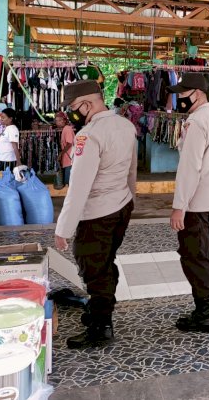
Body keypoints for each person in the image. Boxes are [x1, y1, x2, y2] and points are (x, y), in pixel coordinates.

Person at [54, 80, 138, 349]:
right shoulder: (126, 125)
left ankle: (101, 328)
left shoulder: (88, 135)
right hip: (121, 205)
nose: (72, 113)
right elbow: (131, 171)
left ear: (87, 104)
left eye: (74, 108)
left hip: (97, 213)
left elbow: (79, 187)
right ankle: (100, 311)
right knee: (106, 262)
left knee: (94, 270)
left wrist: (63, 228)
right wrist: (131, 200)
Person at [168, 73, 209, 333]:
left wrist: (179, 205)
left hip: (197, 203)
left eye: (183, 94)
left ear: (198, 93)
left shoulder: (196, 121)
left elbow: (190, 167)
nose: (179, 98)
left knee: (195, 256)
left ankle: (205, 313)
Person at [55, 111, 75, 186]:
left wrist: (61, 154)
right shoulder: (65, 129)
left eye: (60, 120)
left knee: (69, 182)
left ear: (64, 120)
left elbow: (69, 143)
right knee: (68, 182)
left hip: (70, 160)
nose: (58, 122)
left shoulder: (67, 129)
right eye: (56, 121)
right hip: (67, 160)